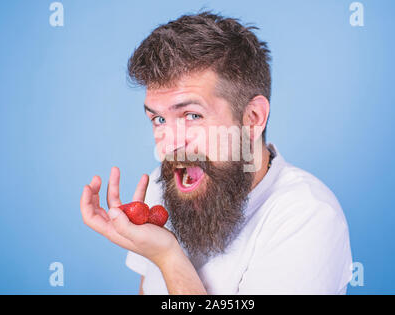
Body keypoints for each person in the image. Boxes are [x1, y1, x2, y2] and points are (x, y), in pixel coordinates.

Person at [80, 11, 353, 295]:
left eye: (192, 115)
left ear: (253, 117)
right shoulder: (162, 190)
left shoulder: (307, 216)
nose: (169, 146)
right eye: (159, 119)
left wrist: (168, 257)